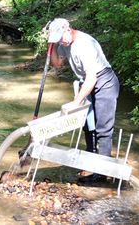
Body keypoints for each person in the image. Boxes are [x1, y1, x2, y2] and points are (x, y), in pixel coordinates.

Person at [48, 18, 120, 183]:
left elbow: (92, 78)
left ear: (68, 28)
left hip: (104, 82)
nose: (61, 41)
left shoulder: (84, 44)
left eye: (61, 37)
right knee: (88, 126)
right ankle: (91, 163)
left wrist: (77, 101)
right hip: (87, 82)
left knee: (103, 128)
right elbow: (57, 64)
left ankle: (102, 173)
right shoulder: (63, 43)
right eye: (57, 39)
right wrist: (51, 45)